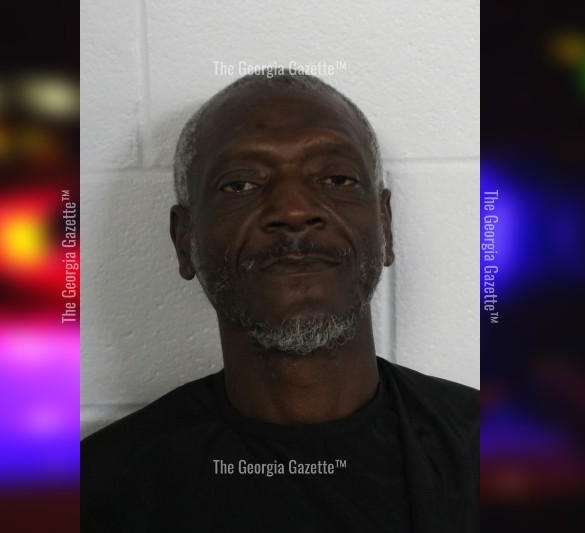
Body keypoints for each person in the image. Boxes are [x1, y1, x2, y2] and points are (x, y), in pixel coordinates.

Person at [81, 72, 478, 533]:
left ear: (385, 227)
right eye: (240, 185)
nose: (293, 210)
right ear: (185, 241)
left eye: (337, 178)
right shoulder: (97, 492)